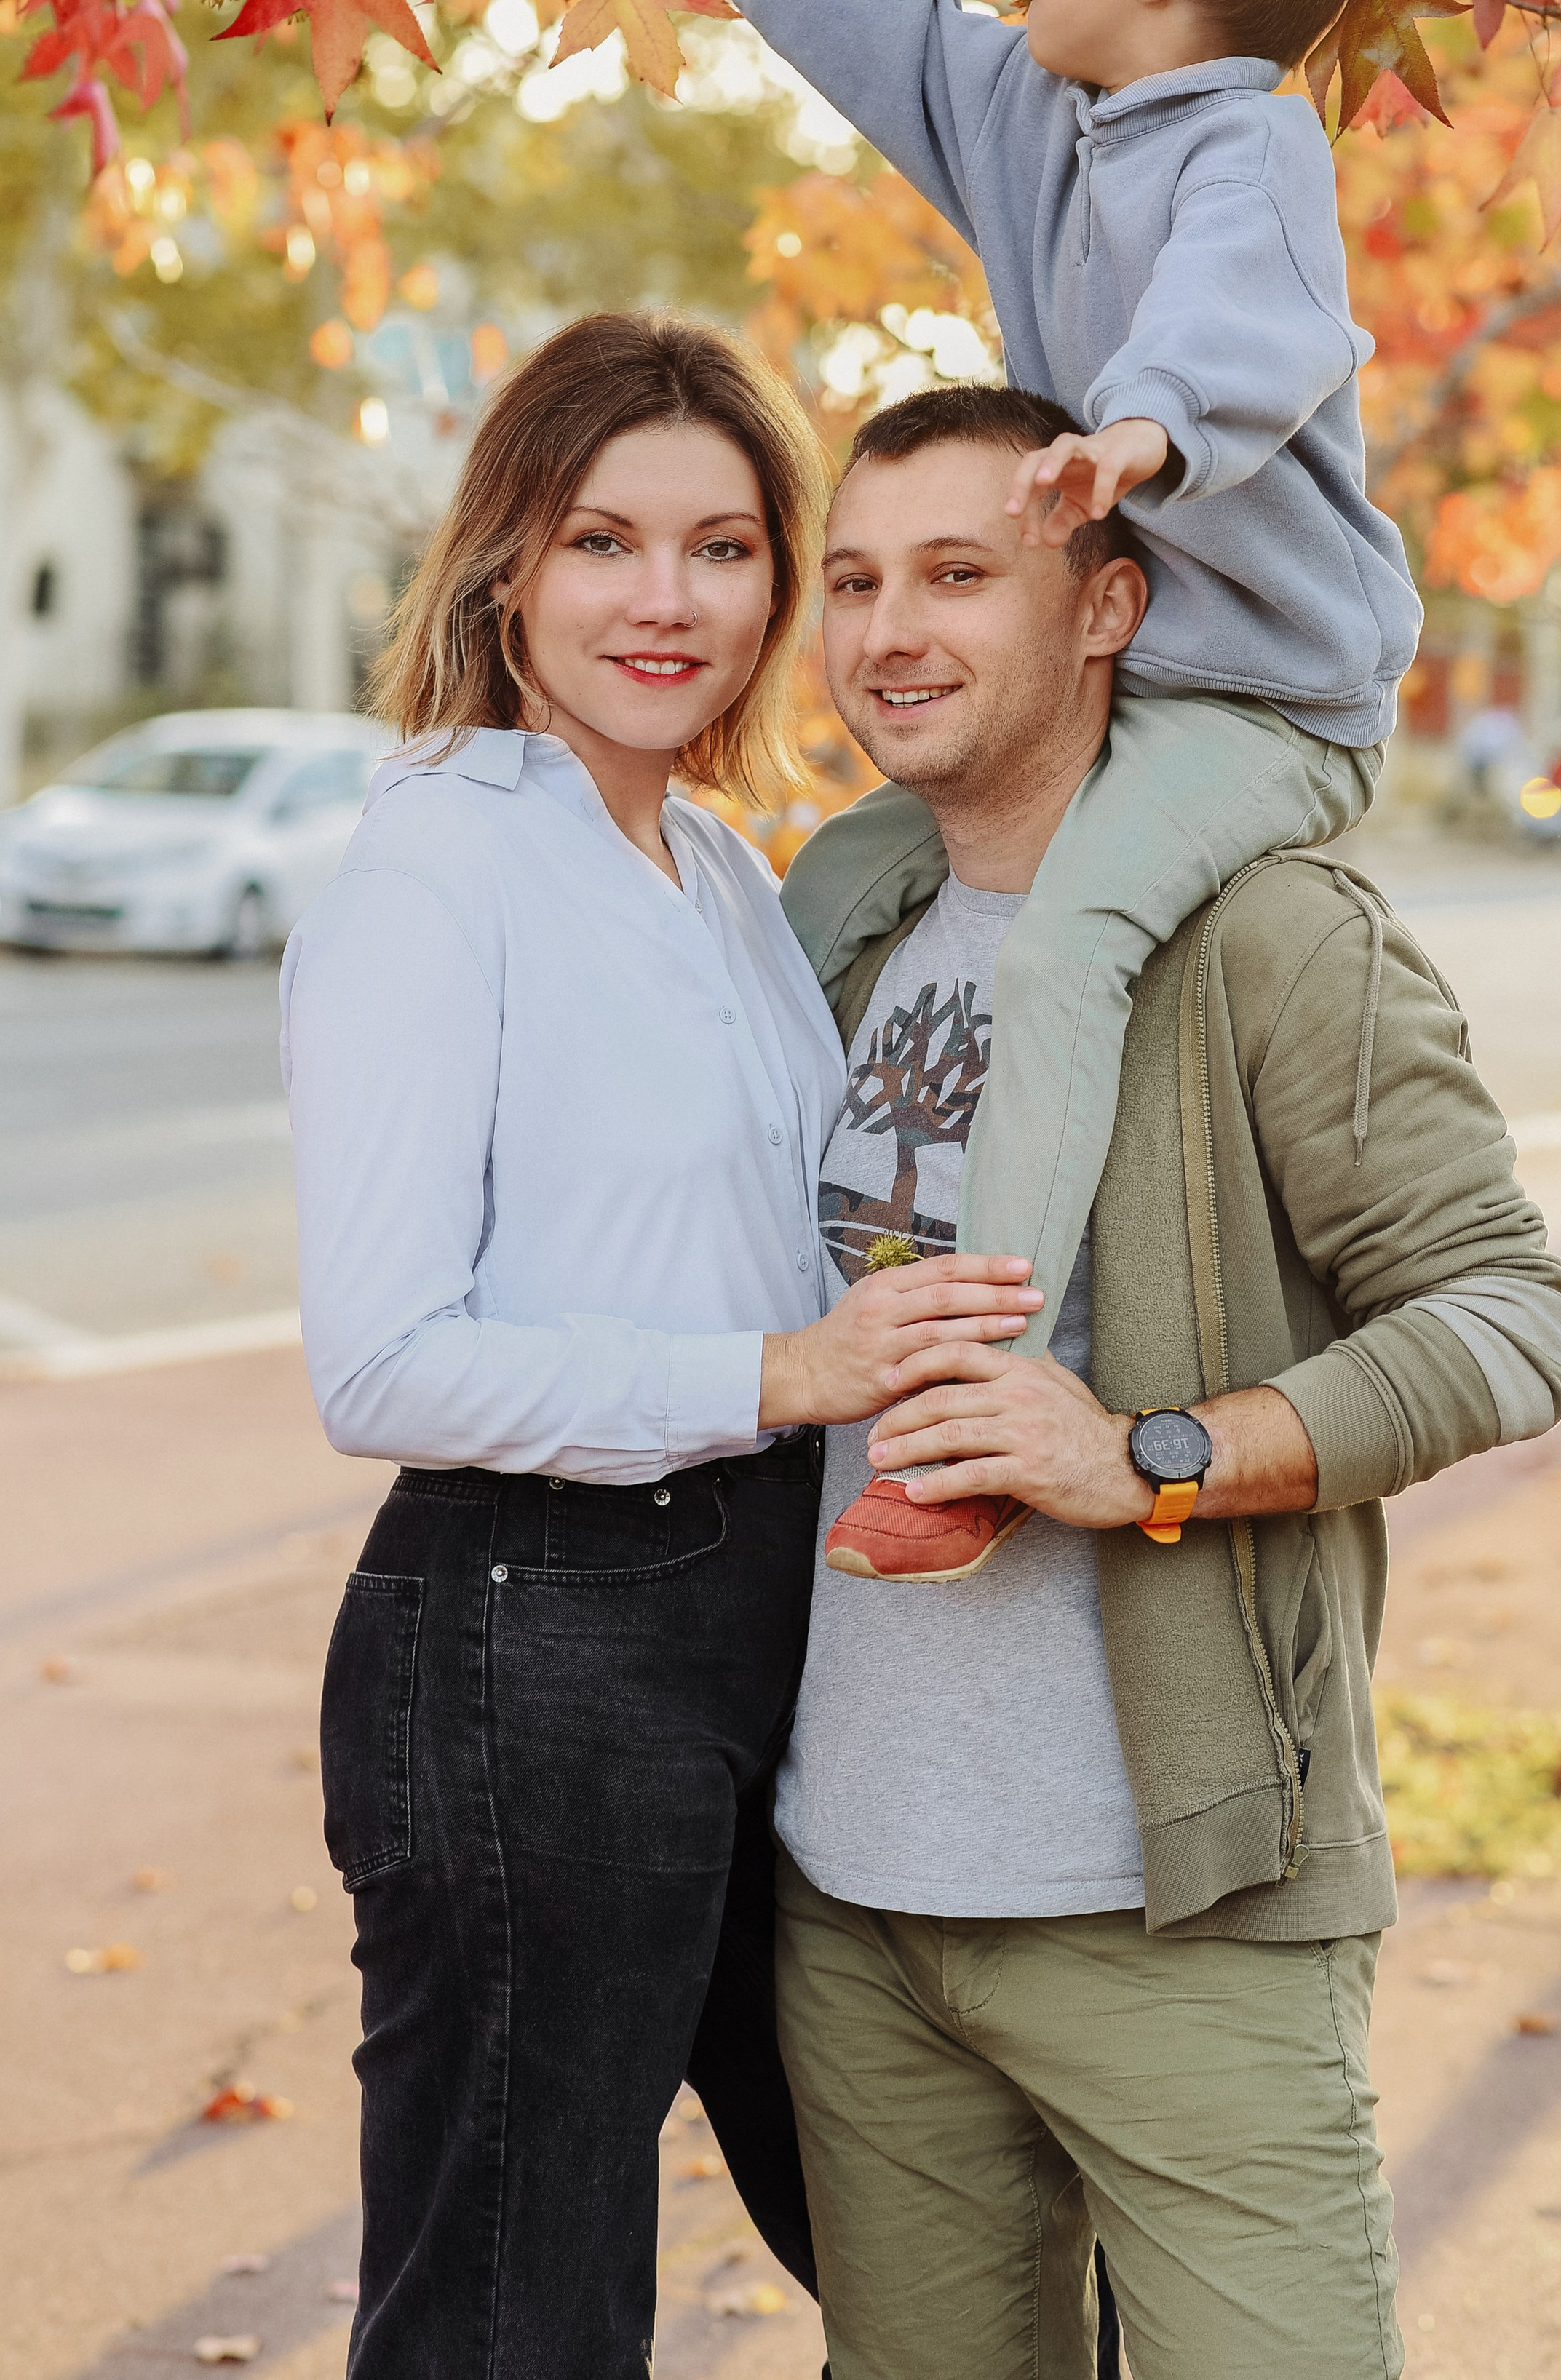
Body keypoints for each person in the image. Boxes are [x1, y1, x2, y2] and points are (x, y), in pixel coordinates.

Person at [770, 382, 1561, 2379]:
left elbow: (1503, 1316)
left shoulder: (1270, 935)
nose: (891, 631)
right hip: (854, 1903)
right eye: (856, 580)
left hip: (1176, 1906)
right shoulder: (850, 929)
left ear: (1108, 606)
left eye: (962, 573)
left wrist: (1144, 1452)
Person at [572, 0, 1423, 1579]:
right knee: (831, 885)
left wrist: (1141, 438)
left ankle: (965, 1428)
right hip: (1131, 673)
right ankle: (714, 1283)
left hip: (1258, 701)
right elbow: (892, 22)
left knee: (1060, 957)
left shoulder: (1249, 147)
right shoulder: (1048, 122)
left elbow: (1249, 320)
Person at [282, 315, 1037, 2376]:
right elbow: (385, 1362)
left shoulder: (713, 866)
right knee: (521, 2310)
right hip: (529, 1634)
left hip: (761, 1623)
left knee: (920, 2232)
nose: (666, 599)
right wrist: (785, 1374)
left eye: (722, 548)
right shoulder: (433, 872)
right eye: (606, 539)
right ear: (507, 561)